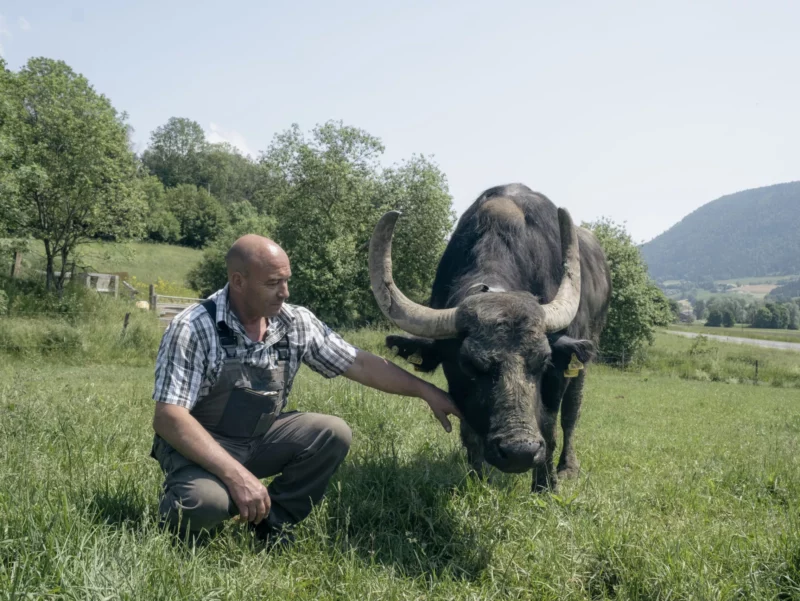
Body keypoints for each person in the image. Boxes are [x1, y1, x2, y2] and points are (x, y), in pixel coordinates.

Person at [149, 234, 461, 544]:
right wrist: (236, 475)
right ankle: (189, 503)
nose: (284, 293)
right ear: (238, 281)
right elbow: (169, 418)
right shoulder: (193, 327)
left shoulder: (295, 322)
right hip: (200, 446)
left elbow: (361, 363)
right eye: (273, 283)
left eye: (286, 281)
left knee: (332, 432)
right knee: (205, 506)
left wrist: (427, 390)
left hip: (257, 438)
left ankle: (273, 522)